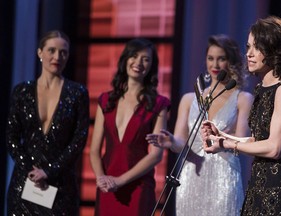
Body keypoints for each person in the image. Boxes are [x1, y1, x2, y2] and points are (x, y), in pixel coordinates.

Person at [146, 34, 254, 216]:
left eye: (222, 58)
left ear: (231, 61)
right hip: (191, 178)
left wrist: (224, 137)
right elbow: (181, 143)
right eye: (211, 58)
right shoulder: (189, 99)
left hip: (223, 177)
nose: (215, 65)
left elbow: (243, 144)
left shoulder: (243, 99)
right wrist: (171, 141)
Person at [201, 16, 281, 215]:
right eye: (248, 47)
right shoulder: (262, 89)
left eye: (256, 48)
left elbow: (274, 147)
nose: (248, 54)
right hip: (259, 183)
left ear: (274, 49)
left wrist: (229, 145)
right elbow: (257, 140)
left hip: (279, 188)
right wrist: (222, 137)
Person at [6, 30, 89, 215]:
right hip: (25, 183)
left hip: (61, 185)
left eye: (63, 52)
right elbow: (11, 137)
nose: (57, 57)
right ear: (40, 53)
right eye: (51, 50)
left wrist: (50, 171)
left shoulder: (77, 93)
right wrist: (30, 170)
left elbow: (79, 139)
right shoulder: (22, 92)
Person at [89, 38, 170, 216]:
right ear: (125, 59)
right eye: (134, 56)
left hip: (138, 187)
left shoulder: (158, 104)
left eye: (145, 59)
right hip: (107, 186)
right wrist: (101, 177)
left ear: (151, 66)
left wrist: (120, 181)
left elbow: (156, 156)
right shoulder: (106, 100)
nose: (138, 63)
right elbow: (94, 150)